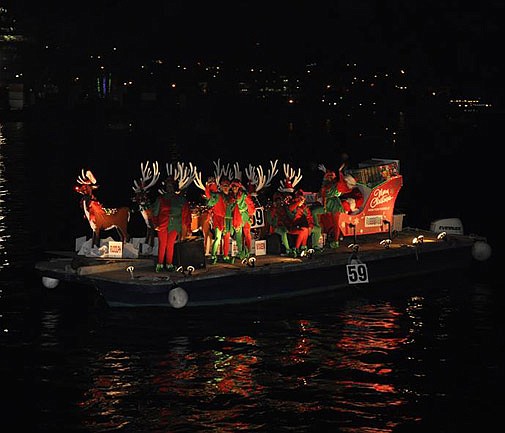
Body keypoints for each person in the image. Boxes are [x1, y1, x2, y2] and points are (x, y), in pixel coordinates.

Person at [151, 176, 192, 272]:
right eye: (168, 186)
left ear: (174, 187)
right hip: (163, 224)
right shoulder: (160, 199)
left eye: (171, 186)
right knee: (163, 244)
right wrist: (155, 224)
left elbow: (186, 215)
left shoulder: (181, 200)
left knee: (170, 245)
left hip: (175, 225)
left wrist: (188, 228)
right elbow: (155, 213)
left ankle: (169, 264)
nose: (169, 188)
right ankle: (160, 264)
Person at [205, 177, 236, 264]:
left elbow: (234, 209)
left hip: (228, 220)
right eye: (224, 186)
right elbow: (209, 197)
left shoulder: (231, 197)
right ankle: (213, 256)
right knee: (218, 238)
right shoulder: (218, 195)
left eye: (227, 185)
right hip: (219, 219)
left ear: (229, 186)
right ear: (221, 187)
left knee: (226, 238)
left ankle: (226, 256)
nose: (225, 187)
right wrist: (209, 185)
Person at [231, 179, 256, 259]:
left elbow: (250, 204)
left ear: (239, 187)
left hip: (245, 215)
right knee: (238, 235)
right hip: (236, 216)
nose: (234, 188)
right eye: (233, 186)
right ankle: (241, 252)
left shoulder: (244, 195)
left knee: (247, 233)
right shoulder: (231, 196)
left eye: (235, 186)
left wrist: (251, 215)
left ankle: (248, 251)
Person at [285, 189, 314, 257]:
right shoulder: (293, 205)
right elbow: (290, 209)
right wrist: (298, 203)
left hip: (303, 226)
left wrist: (310, 225)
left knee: (305, 229)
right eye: (300, 198)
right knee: (303, 230)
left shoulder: (304, 207)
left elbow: (309, 217)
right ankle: (298, 248)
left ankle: (302, 248)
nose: (302, 200)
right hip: (293, 226)